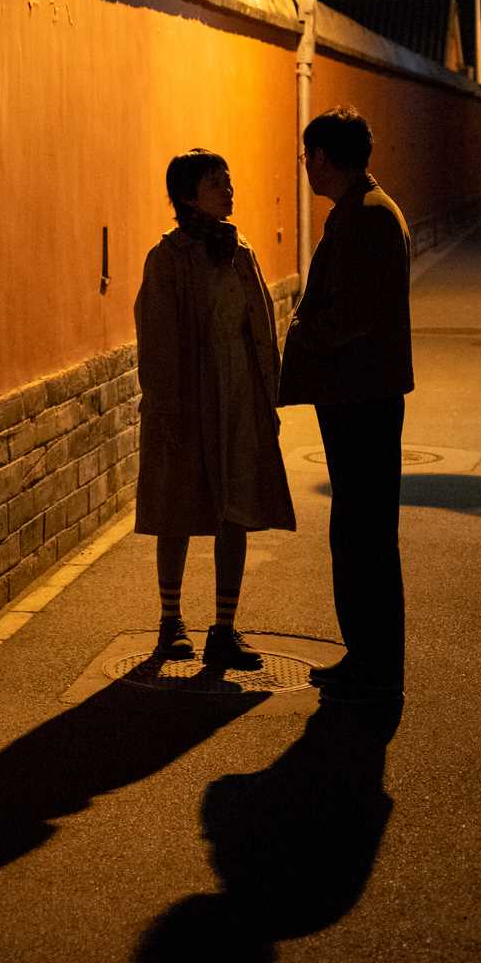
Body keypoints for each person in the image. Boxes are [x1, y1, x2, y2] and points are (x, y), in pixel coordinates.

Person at [134, 149, 295, 670]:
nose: (228, 190)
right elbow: (157, 340)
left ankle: (224, 627)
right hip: (187, 399)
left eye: (228, 180)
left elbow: (259, 328)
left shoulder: (238, 249)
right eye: (216, 183)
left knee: (237, 508)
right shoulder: (168, 258)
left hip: (237, 395)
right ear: (188, 196)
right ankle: (170, 622)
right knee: (176, 508)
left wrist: (266, 397)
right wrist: (166, 408)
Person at [278, 106, 412, 721]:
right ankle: (365, 658)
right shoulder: (364, 211)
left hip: (362, 395)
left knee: (365, 536)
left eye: (309, 156)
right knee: (358, 532)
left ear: (324, 157)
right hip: (359, 394)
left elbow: (355, 315)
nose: (306, 167)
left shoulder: (367, 217)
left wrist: (303, 332)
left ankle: (376, 669)